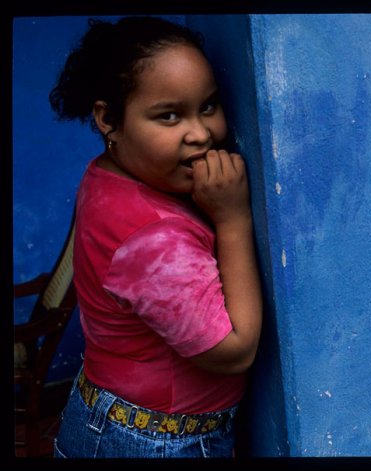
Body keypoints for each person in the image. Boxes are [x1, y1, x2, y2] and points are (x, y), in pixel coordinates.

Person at [49, 16, 262, 458]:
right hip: (158, 442)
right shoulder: (154, 236)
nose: (201, 134)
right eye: (168, 115)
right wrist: (234, 219)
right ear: (108, 119)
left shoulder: (105, 175)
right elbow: (235, 351)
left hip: (103, 413)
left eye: (208, 106)